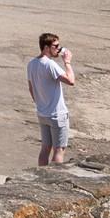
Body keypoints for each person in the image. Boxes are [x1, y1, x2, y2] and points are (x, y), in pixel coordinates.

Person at [28, 32, 76, 166]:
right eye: (55, 46)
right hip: (57, 115)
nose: (59, 49)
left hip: (43, 113)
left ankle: (40, 176)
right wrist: (67, 62)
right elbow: (71, 81)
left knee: (45, 148)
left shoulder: (32, 64)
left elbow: (31, 88)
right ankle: (53, 179)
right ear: (46, 47)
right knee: (59, 149)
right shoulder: (50, 64)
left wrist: (40, 104)